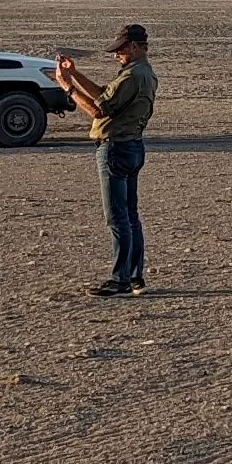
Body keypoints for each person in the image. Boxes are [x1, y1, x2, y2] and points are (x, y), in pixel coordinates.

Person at [52, 22, 156, 295]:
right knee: (131, 215)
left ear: (133, 47)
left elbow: (99, 111)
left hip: (115, 148)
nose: (116, 55)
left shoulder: (131, 76)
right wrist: (74, 74)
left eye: (120, 50)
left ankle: (120, 279)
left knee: (117, 217)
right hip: (132, 146)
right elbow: (105, 97)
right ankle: (134, 277)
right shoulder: (143, 73)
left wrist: (68, 88)